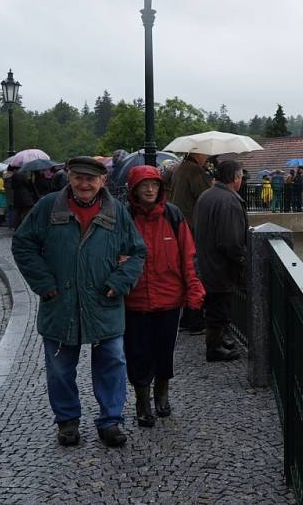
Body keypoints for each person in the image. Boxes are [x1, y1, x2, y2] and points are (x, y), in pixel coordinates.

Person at [11, 157, 147, 447]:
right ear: (70, 178)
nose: (84, 184)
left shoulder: (117, 212)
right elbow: (23, 244)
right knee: (59, 368)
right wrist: (44, 284)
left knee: (112, 362)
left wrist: (120, 282)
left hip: (104, 302)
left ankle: (111, 421)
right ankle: (67, 421)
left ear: (102, 182)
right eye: (78, 178)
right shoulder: (49, 207)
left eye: (91, 179)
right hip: (61, 303)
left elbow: (136, 253)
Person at [124, 166, 205, 427]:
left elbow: (188, 256)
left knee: (164, 350)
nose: (149, 189)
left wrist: (194, 289)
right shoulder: (124, 218)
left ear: (161, 188)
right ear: (134, 189)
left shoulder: (173, 215)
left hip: (169, 299)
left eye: (154, 185)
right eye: (144, 185)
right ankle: (142, 401)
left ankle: (162, 394)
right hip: (135, 300)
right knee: (137, 352)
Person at [193, 159, 248, 362]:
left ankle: (218, 342)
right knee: (219, 309)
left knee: (215, 307)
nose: (241, 181)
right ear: (235, 178)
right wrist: (244, 260)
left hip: (206, 262)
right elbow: (231, 242)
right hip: (220, 267)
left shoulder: (206, 195)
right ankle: (214, 348)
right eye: (241, 177)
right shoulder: (230, 201)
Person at [169, 153, 211, 333]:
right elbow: (204, 197)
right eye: (205, 155)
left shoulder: (180, 168)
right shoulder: (194, 170)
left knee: (187, 272)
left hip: (180, 226)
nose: (208, 157)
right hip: (192, 228)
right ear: (197, 154)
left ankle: (186, 318)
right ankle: (194, 318)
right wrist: (212, 187)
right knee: (195, 273)